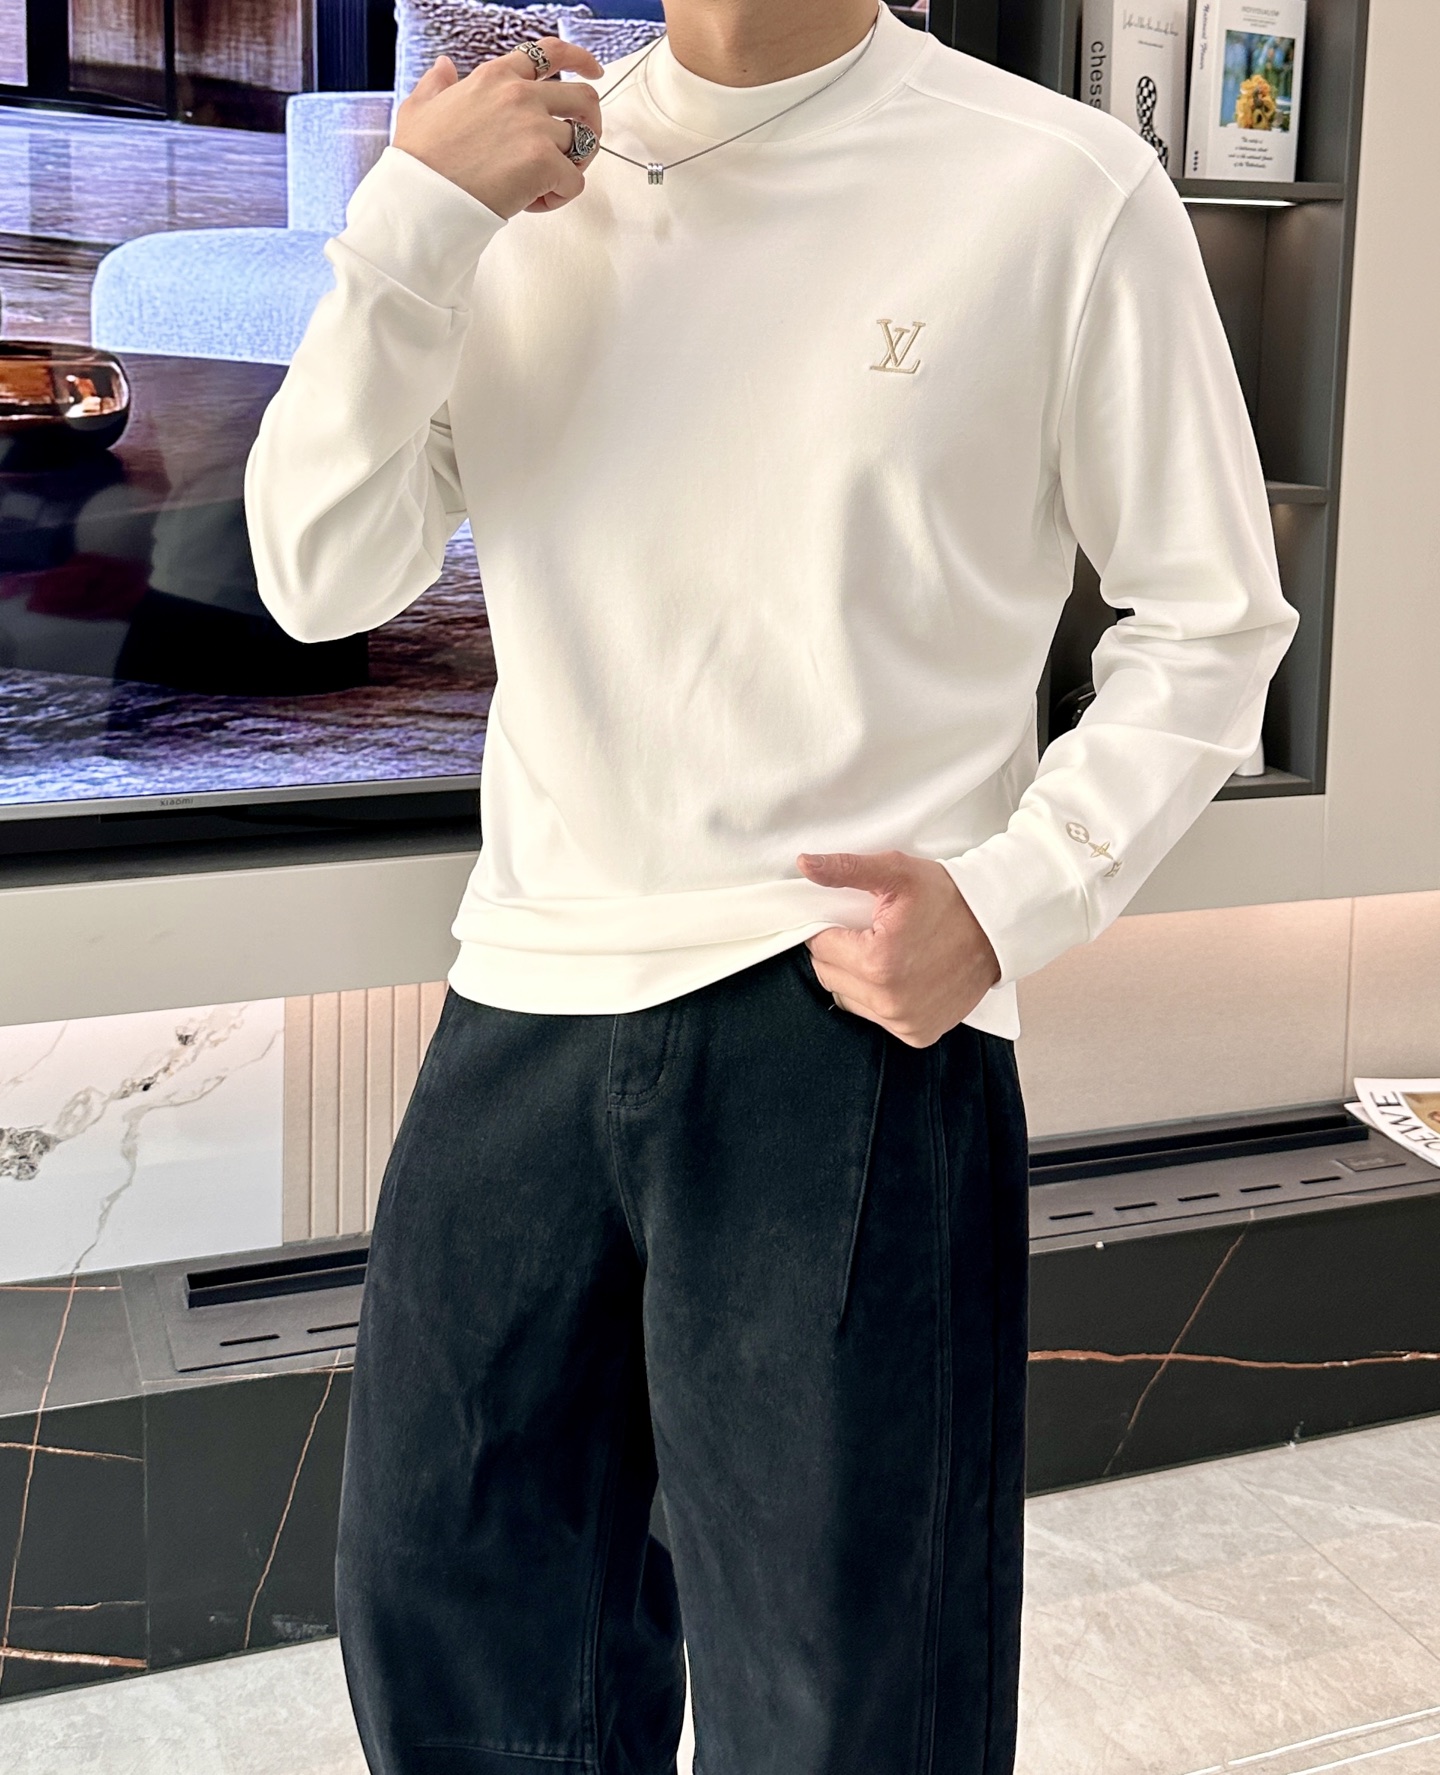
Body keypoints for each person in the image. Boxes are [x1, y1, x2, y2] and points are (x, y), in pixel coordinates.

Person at [245, 3, 1297, 1770]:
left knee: (847, 1700)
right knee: (452, 1641)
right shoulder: (510, 182)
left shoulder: (1058, 184)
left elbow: (1213, 618)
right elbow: (316, 576)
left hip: (847, 1015)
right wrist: (412, 222)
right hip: (527, 996)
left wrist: (1016, 896)